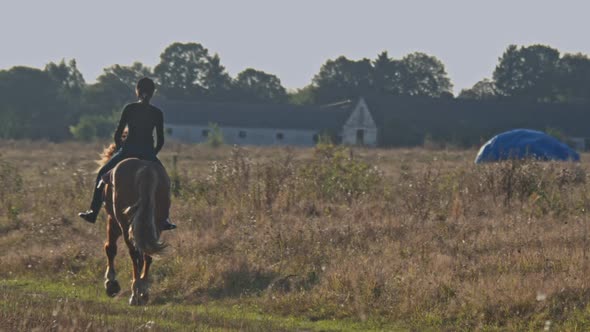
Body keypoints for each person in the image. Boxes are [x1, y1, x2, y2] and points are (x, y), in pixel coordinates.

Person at [78, 78, 176, 230]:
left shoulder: (129, 108)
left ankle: (92, 212)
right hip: (148, 153)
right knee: (165, 182)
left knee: (102, 175)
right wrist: (151, 154)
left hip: (127, 150)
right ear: (153, 93)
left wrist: (121, 150)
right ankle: (164, 219)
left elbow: (118, 134)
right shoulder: (157, 113)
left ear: (137, 90)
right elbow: (161, 140)